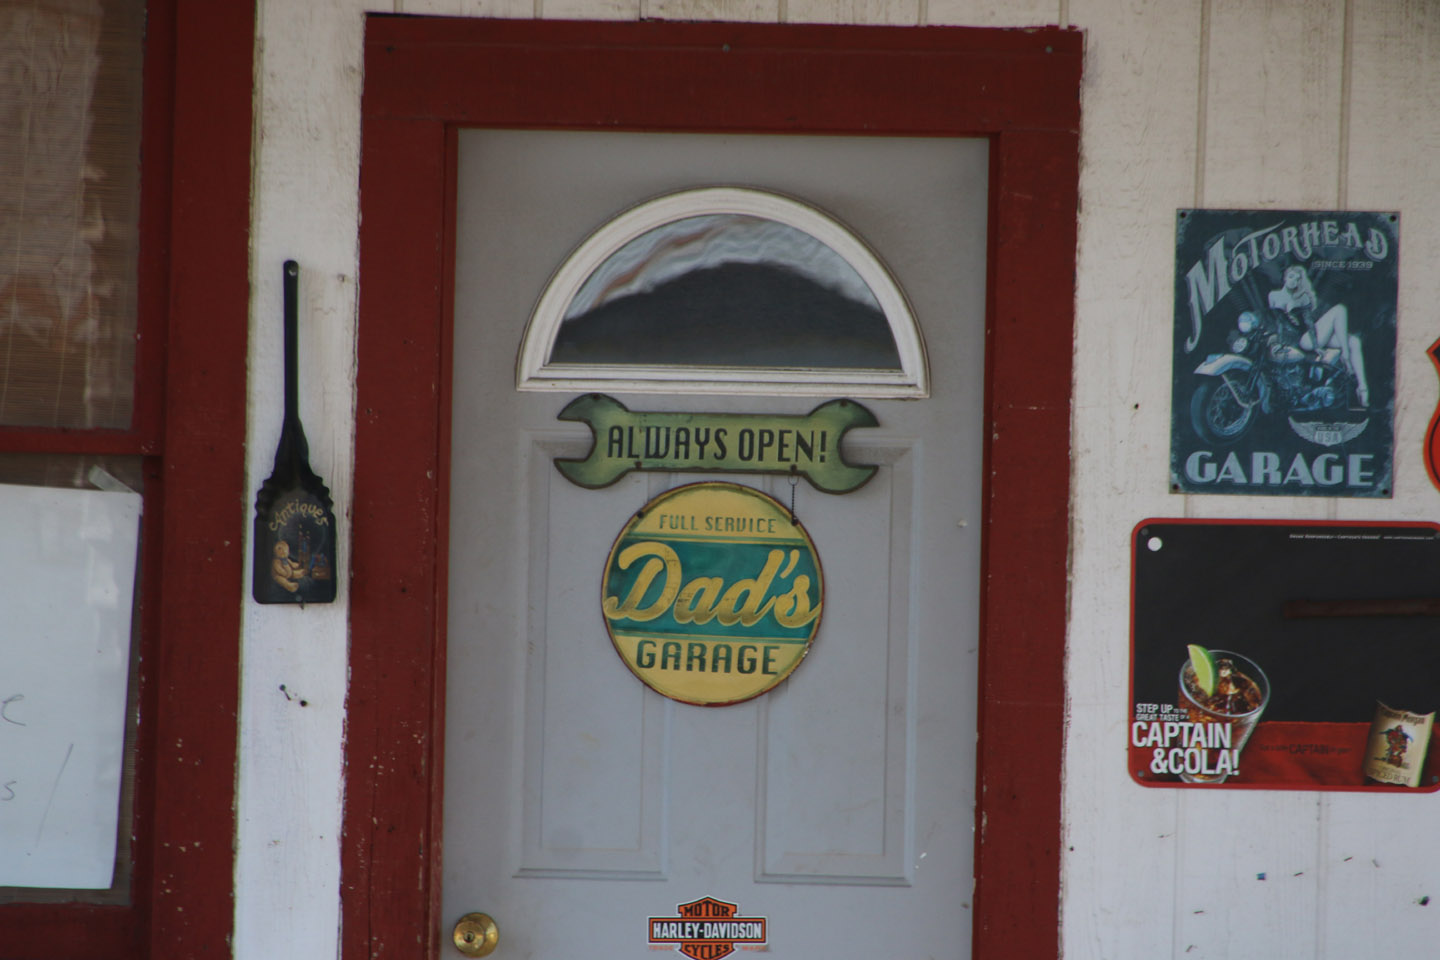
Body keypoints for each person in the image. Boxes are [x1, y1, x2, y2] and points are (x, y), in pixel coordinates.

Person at [1268, 264, 1370, 408]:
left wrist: (1316, 347)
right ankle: (1346, 356)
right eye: (1291, 277)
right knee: (1339, 310)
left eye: (1297, 279)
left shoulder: (1303, 298)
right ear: (1285, 278)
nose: (1293, 281)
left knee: (1354, 341)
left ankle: (1362, 389)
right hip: (1296, 342)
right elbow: (1276, 321)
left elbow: (1309, 323)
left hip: (1307, 339)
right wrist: (1276, 339)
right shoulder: (1273, 296)